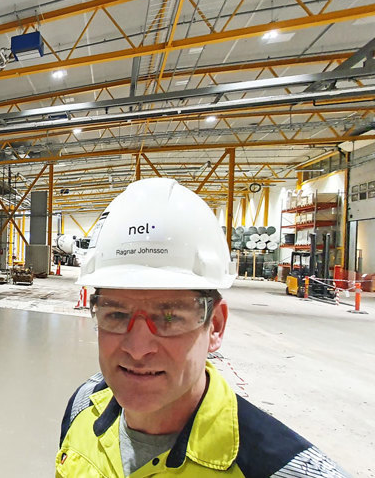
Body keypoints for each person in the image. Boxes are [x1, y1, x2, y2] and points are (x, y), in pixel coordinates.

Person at [56, 178, 347, 477]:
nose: (138, 348)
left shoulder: (287, 471)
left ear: (216, 327)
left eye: (169, 318)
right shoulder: (82, 406)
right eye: (116, 314)